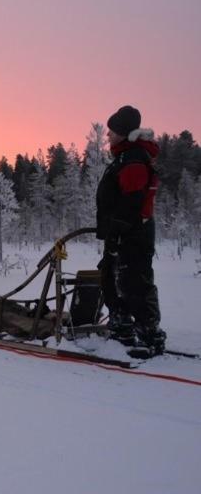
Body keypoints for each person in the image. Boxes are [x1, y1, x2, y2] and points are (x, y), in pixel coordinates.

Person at [96, 105, 165, 356]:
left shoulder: (133, 159)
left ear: (124, 133)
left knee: (134, 281)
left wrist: (117, 231)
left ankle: (149, 334)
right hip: (122, 232)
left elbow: (131, 202)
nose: (108, 135)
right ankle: (121, 326)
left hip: (132, 233)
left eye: (112, 131)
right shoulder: (125, 157)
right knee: (111, 277)